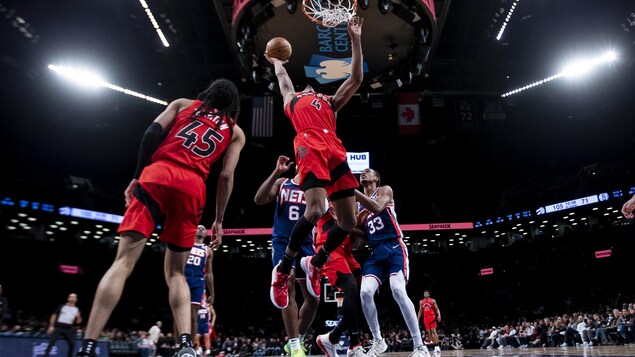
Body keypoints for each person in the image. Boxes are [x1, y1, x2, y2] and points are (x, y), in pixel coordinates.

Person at [75, 79, 246, 357]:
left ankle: (88, 345)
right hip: (192, 188)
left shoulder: (182, 104)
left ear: (208, 93)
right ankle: (186, 346)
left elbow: (151, 133)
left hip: (157, 175)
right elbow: (226, 176)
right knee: (176, 273)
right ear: (233, 105)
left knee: (122, 263)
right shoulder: (236, 132)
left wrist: (137, 176)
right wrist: (219, 219)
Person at [265, 17, 364, 329]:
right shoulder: (293, 101)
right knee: (317, 209)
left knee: (347, 222)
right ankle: (284, 267)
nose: (309, 86)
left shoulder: (330, 103)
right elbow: (282, 79)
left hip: (334, 147)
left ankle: (315, 261)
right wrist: (276, 61)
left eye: (312, 86)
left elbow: (357, 78)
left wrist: (356, 39)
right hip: (308, 144)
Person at [355, 168, 430, 357]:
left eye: (368, 172)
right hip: (375, 251)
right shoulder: (358, 206)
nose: (363, 174)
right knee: (364, 292)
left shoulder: (384, 191)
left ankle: (419, 345)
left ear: (376, 178)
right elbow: (362, 238)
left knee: (397, 290)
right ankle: (378, 340)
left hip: (394, 247)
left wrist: (351, 191)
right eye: (361, 173)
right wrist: (349, 227)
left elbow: (377, 207)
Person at [254, 155, 320, 357]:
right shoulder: (283, 183)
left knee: (314, 299)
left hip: (307, 243)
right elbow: (259, 199)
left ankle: (297, 339)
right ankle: (294, 345)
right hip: (282, 241)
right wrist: (276, 172)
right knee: (288, 281)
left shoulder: (315, 187)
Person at [315, 202, 366, 357]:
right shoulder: (325, 197)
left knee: (366, 295)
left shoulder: (354, 204)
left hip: (346, 252)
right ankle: (355, 345)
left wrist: (358, 226)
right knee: (350, 287)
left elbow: (356, 243)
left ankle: (331, 338)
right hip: (329, 248)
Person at [176, 225, 215, 341]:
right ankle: (178, 345)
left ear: (205, 234)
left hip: (198, 282)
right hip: (184, 279)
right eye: (199, 227)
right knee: (178, 314)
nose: (202, 229)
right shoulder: (186, 245)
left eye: (204, 228)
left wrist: (212, 292)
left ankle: (191, 346)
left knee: (194, 316)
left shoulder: (208, 250)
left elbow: (209, 273)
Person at [44, 293, 82, 357]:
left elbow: (78, 322)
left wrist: (78, 316)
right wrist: (51, 326)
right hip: (59, 327)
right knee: (51, 342)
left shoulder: (77, 309)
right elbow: (54, 316)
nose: (72, 298)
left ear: (76, 299)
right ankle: (45, 356)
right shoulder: (62, 306)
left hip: (69, 328)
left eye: (74, 297)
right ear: (68, 298)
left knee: (72, 343)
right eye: (71, 297)